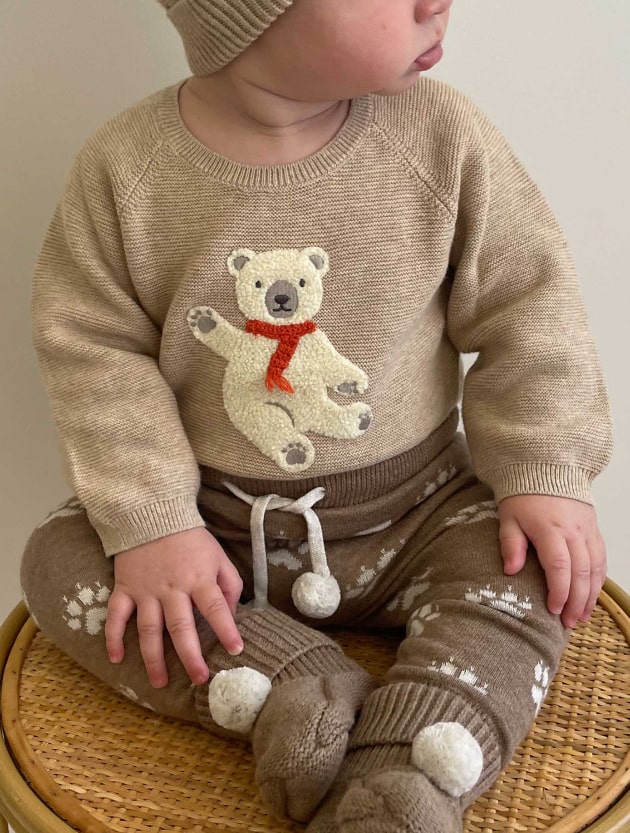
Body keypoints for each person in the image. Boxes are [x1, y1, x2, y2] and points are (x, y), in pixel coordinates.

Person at [20, 1, 612, 830]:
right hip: (216, 539)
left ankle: (411, 766)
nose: (436, 3)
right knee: (58, 558)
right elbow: (93, 351)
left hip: (421, 519)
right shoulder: (129, 171)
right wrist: (154, 522)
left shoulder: (441, 138)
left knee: (527, 568)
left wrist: (543, 467)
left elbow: (529, 305)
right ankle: (289, 688)